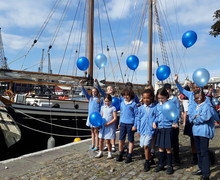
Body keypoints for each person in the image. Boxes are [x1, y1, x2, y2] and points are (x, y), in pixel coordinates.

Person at [174, 74, 199, 164]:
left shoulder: (203, 96)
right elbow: (181, 90)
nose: (195, 89)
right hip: (190, 119)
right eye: (194, 88)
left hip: (198, 120)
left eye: (197, 87)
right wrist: (176, 81)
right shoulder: (190, 94)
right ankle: (194, 155)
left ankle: (201, 154)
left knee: (199, 138)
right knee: (192, 139)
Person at [153, 88, 178, 175]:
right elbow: (156, 116)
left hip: (168, 128)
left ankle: (170, 165)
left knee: (168, 148)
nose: (160, 100)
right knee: (160, 147)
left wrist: (174, 122)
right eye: (159, 98)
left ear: (166, 96)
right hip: (160, 128)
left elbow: (175, 114)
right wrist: (154, 122)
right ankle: (161, 164)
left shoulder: (170, 104)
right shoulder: (158, 106)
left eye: (162, 98)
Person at [190, 90, 215, 180]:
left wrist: (196, 118)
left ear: (203, 97)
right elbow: (191, 117)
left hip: (204, 132)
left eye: (199, 98)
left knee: (204, 153)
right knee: (199, 152)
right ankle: (201, 168)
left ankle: (206, 174)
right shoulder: (195, 107)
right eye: (195, 98)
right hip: (196, 132)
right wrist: (196, 117)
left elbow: (205, 117)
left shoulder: (206, 106)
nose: (197, 100)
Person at [116, 88, 138, 163]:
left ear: (130, 96)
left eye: (127, 95)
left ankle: (129, 155)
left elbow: (136, 116)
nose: (126, 97)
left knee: (130, 140)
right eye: (124, 95)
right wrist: (119, 123)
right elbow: (121, 114)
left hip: (130, 124)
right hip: (123, 123)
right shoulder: (122, 103)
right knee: (121, 140)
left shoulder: (134, 104)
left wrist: (135, 125)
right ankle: (120, 153)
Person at [94, 79, 117, 152]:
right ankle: (107, 145)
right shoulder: (105, 96)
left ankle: (113, 145)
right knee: (105, 135)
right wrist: (97, 84)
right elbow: (100, 90)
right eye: (108, 89)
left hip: (112, 115)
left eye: (111, 88)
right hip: (105, 116)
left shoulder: (116, 97)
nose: (110, 89)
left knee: (112, 132)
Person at [79, 80, 103, 151]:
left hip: (96, 118)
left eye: (95, 91)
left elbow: (101, 109)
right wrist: (81, 85)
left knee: (96, 132)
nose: (93, 93)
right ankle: (93, 144)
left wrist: (100, 117)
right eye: (92, 92)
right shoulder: (90, 98)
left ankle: (97, 145)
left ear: (97, 92)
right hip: (90, 117)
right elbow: (84, 92)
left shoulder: (99, 99)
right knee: (92, 131)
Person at [137, 89, 157, 171]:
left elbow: (157, 117)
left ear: (151, 98)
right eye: (144, 98)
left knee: (146, 146)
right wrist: (138, 129)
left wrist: (155, 122)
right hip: (142, 130)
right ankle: (150, 158)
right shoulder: (141, 108)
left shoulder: (154, 108)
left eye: (147, 98)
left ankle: (147, 162)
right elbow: (138, 119)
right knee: (144, 146)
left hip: (150, 130)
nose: (146, 100)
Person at [95, 94, 117, 159]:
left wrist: (108, 123)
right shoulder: (102, 107)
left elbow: (115, 118)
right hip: (103, 126)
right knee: (101, 139)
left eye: (108, 101)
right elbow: (101, 116)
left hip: (110, 126)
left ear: (110, 101)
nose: (106, 102)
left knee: (108, 140)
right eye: (105, 101)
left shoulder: (113, 108)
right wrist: (99, 124)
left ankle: (109, 153)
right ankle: (100, 151)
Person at [164, 83, 180, 164]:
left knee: (175, 141)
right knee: (166, 141)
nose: (167, 91)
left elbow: (177, 111)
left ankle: (176, 157)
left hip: (173, 123)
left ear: (170, 90)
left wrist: (175, 122)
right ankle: (166, 157)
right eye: (166, 89)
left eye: (168, 89)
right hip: (165, 124)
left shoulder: (174, 99)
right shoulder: (164, 99)